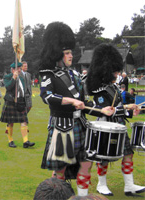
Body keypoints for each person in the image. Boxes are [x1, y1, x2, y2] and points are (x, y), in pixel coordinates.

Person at [39, 22, 114, 196]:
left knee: (86, 163)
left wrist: (102, 110)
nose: (71, 56)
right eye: (67, 53)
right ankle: (56, 195)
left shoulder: (74, 75)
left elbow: (84, 102)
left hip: (80, 124)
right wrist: (70, 101)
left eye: (71, 52)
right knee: (61, 169)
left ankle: (82, 197)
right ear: (58, 55)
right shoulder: (48, 74)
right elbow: (47, 97)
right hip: (62, 127)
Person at [86, 43, 144, 197]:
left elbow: (118, 108)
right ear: (106, 70)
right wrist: (126, 108)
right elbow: (107, 110)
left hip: (119, 126)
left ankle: (129, 185)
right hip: (105, 126)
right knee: (103, 157)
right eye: (115, 70)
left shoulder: (115, 88)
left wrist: (131, 109)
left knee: (128, 154)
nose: (118, 73)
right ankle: (101, 184)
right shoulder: (100, 91)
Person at [0, 62, 35, 148]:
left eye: (20, 68)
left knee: (24, 122)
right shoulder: (7, 77)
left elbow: (23, 90)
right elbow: (8, 87)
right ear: (12, 70)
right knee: (10, 123)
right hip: (11, 102)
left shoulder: (22, 78)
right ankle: (10, 140)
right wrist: (13, 78)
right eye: (18, 68)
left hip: (20, 102)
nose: (20, 70)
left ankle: (25, 141)